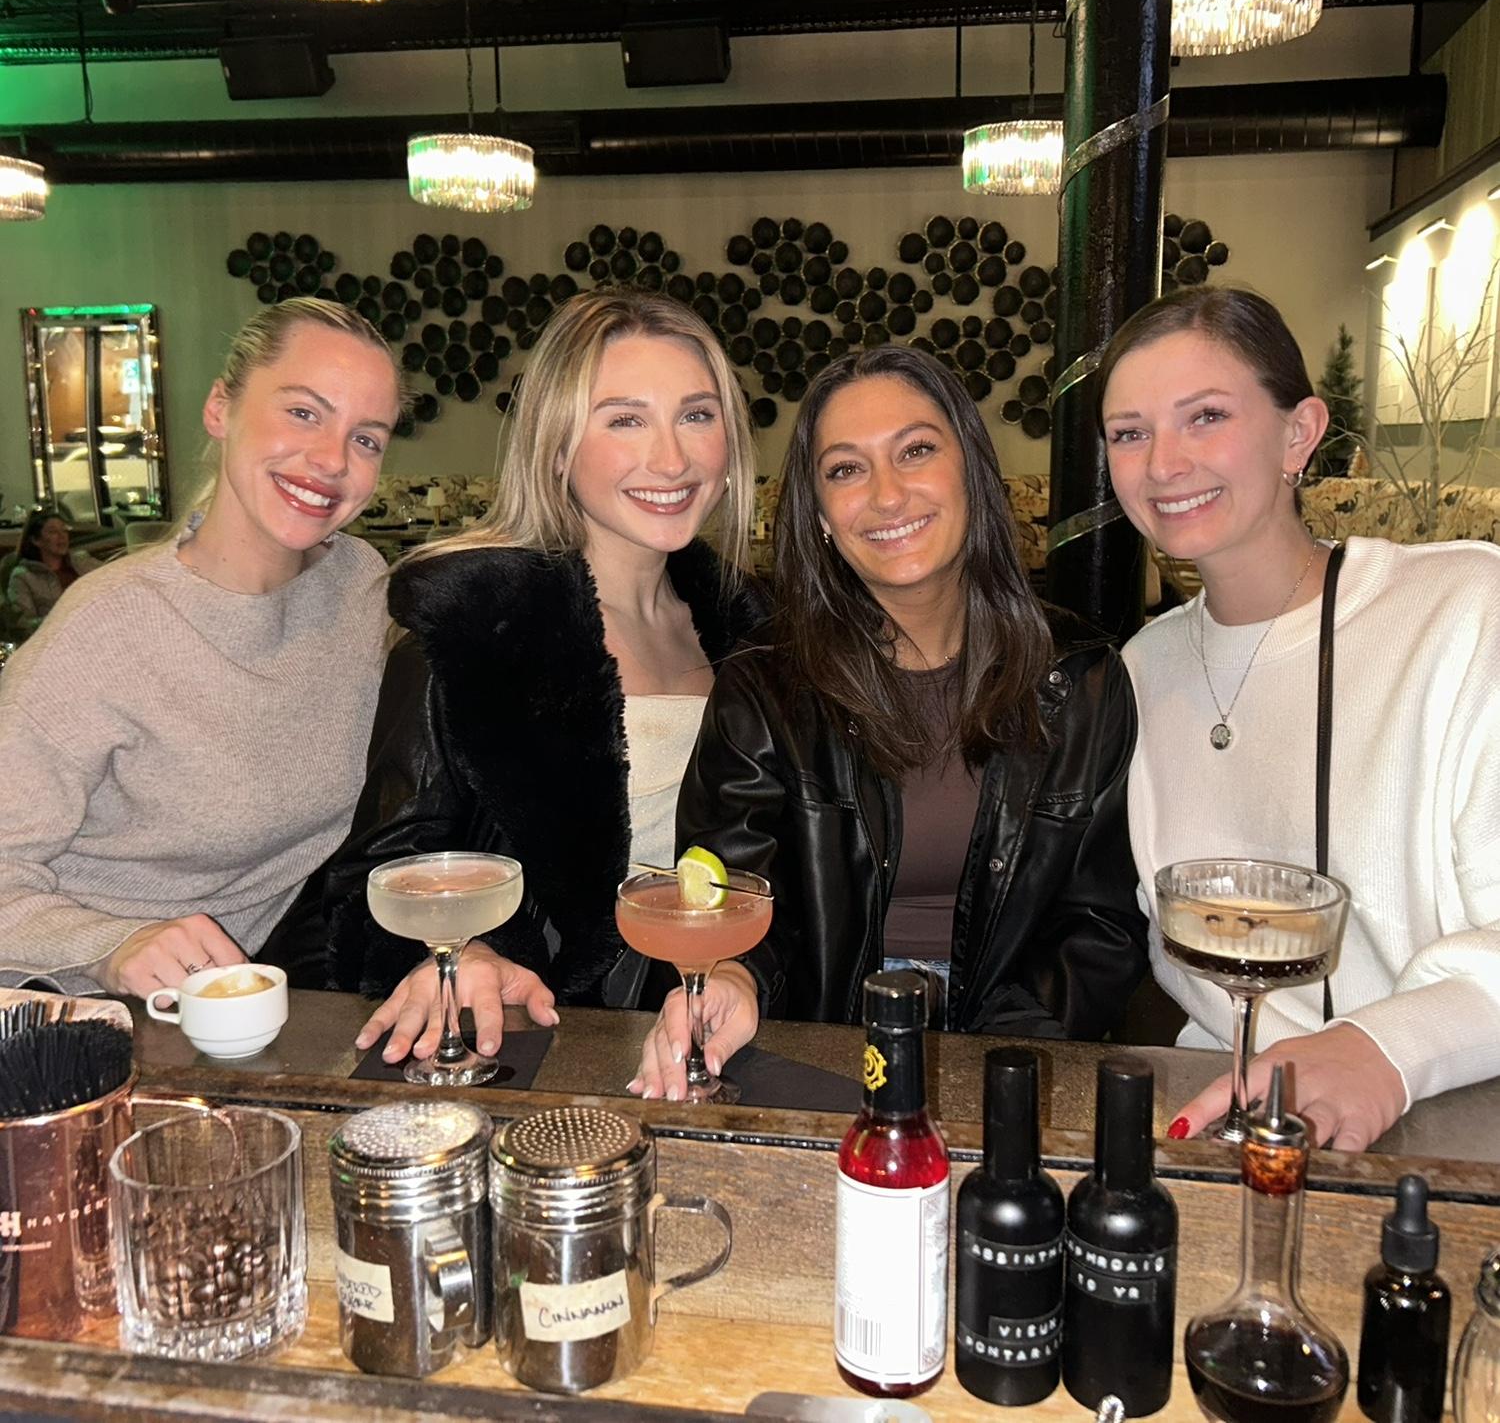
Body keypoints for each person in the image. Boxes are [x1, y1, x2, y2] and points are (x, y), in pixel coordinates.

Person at [631, 343, 1149, 1098]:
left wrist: (990, 1059)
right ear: (820, 515)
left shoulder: (1081, 678)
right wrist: (734, 979)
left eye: (915, 451)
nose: (887, 494)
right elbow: (732, 893)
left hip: (1018, 1050)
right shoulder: (765, 687)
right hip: (820, 1043)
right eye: (846, 469)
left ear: (971, 470)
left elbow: (1099, 924)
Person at [1100, 285, 1500, 1152]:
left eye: (1206, 416)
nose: (1163, 463)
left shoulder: (1462, 611)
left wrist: (1389, 1050)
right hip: (1220, 1121)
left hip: (1449, 1117)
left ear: (1299, 432)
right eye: (1129, 433)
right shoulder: (1141, 669)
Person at [320, 288, 763, 1070]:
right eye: (625, 420)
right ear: (557, 449)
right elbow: (377, 878)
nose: (672, 459)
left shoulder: (758, 633)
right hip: (544, 1037)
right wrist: (467, 952)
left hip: (718, 1032)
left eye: (696, 415)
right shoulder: (475, 629)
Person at [0, 297, 399, 996]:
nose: (331, 459)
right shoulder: (108, 628)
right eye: (302, 412)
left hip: (265, 995)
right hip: (84, 1000)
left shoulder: (360, 585)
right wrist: (110, 946)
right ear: (221, 408)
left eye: (366, 439)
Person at [5, 509, 100, 636]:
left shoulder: (82, 561)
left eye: (64, 530)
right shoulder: (23, 576)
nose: (62, 536)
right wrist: (63, 618)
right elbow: (23, 624)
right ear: (36, 540)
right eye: (53, 532)